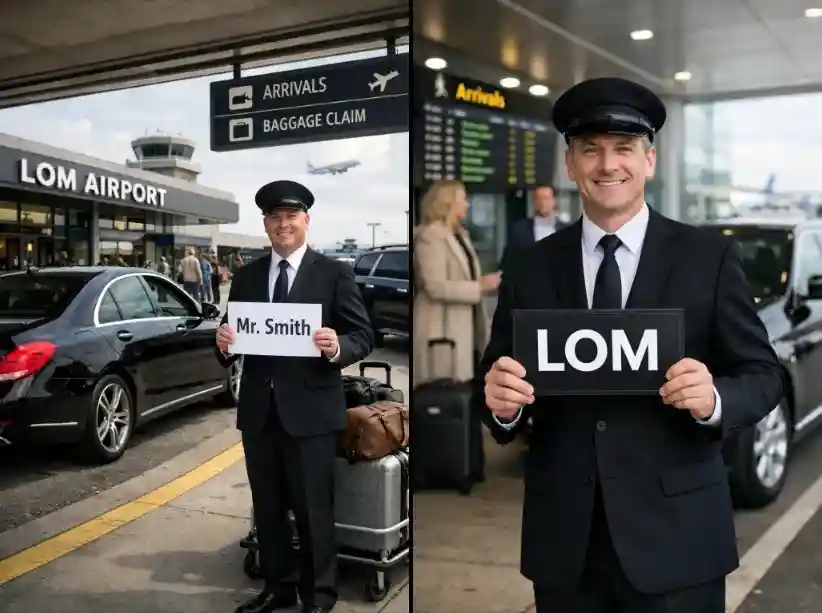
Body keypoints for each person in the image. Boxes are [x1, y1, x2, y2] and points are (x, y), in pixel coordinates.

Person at [475, 77, 784, 613]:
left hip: (679, 542)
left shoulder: (706, 258)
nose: (607, 165)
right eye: (590, 150)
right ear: (569, 164)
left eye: (623, 149)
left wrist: (714, 400)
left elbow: (763, 374)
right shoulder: (530, 267)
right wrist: (499, 406)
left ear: (649, 161)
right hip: (566, 546)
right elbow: (494, 378)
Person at [215, 180, 373, 613]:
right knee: (267, 509)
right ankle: (278, 588)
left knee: (312, 511)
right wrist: (223, 344)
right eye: (274, 217)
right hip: (259, 414)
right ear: (265, 224)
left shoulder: (333, 273)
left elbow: (363, 335)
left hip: (312, 415)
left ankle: (319, 596)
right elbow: (231, 339)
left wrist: (337, 346)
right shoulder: (246, 276)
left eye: (291, 216)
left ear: (306, 220)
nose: (282, 224)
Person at [413, 179, 500, 482]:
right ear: (447, 202)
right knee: (446, 397)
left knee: (467, 397)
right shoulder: (429, 237)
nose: (467, 205)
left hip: (465, 330)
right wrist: (481, 287)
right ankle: (446, 467)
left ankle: (468, 462)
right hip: (443, 331)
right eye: (462, 199)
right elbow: (435, 286)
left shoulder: (458, 235)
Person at [499, 185, 565, 273]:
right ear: (534, 202)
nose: (542, 203)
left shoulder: (566, 230)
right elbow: (508, 261)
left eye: (546, 198)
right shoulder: (519, 230)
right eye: (538, 199)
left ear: (554, 201)